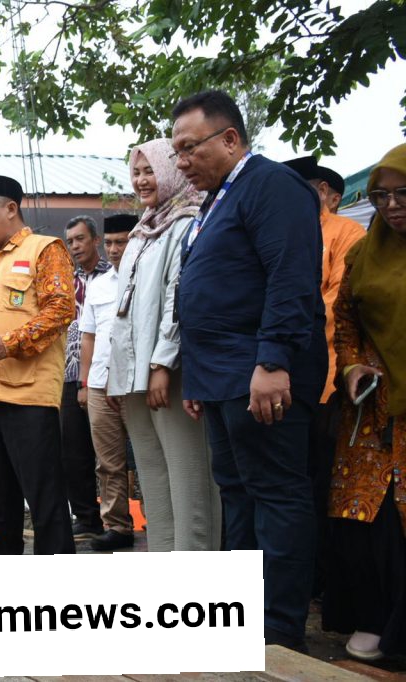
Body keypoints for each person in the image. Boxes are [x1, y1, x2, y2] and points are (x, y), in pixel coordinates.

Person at [172, 91, 327, 650]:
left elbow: (290, 277)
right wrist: (198, 375)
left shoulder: (271, 187)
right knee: (236, 494)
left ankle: (281, 627)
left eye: (190, 148)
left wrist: (272, 360)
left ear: (231, 138)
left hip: (259, 373)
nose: (182, 161)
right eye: (177, 152)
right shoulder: (216, 200)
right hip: (219, 377)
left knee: (276, 493)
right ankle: (241, 614)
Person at [107, 138, 221, 553]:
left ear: (170, 170)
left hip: (165, 371)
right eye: (136, 172)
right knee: (152, 472)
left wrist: (161, 364)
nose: (141, 180)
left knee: (187, 472)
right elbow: (123, 311)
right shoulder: (143, 229)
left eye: (149, 170)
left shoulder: (187, 222)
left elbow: (178, 297)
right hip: (131, 375)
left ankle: (195, 572)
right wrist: (114, 377)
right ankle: (164, 562)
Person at [0, 174, 76, 556]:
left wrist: (9, 344)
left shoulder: (45, 249)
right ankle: (1, 591)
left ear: (11, 208)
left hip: (31, 399)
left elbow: (61, 311)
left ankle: (59, 595)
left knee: (44, 500)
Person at [323, 143, 406, 661]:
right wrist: (351, 365)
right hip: (376, 407)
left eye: (403, 194)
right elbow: (346, 323)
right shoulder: (364, 252)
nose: (392, 206)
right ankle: (376, 620)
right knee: (368, 516)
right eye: (381, 197)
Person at [284, 155, 366, 596]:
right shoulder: (283, 227)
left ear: (323, 193)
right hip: (284, 375)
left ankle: (320, 579)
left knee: (320, 479)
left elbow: (333, 306)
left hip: (328, 377)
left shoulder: (344, 232)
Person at [77, 214, 135, 551]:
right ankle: (118, 526)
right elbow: (88, 338)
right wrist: (85, 384)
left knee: (148, 457)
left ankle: (161, 523)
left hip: (135, 384)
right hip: (99, 383)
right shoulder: (97, 286)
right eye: (110, 242)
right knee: (108, 461)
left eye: (121, 242)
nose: (114, 249)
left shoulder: (146, 278)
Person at [62, 215, 112, 539]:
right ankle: (86, 517)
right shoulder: (64, 279)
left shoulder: (115, 275)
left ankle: (115, 518)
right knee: (73, 450)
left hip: (107, 372)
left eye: (80, 239)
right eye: (71, 241)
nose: (75, 246)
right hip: (69, 374)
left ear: (95, 240)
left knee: (110, 450)